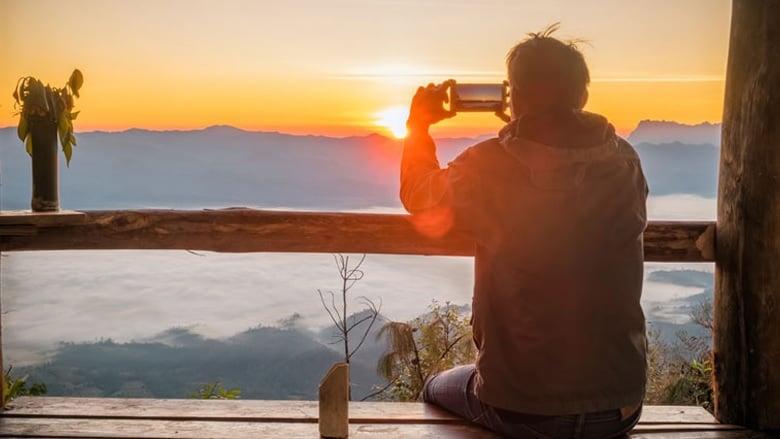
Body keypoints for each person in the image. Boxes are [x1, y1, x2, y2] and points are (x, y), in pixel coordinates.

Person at [400, 25, 648, 439]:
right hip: (620, 406)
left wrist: (418, 127)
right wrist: (530, 125)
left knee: (434, 388)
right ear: (583, 95)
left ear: (513, 94)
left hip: (520, 407)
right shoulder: (625, 161)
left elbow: (418, 194)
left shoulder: (489, 166)